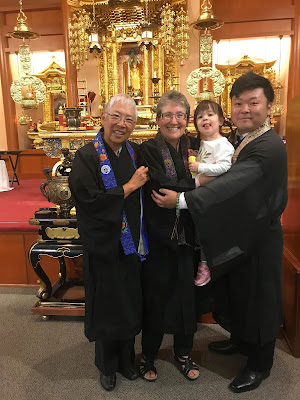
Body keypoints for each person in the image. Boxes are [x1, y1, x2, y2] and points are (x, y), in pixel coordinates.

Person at [150, 72, 288, 393]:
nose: (245, 109)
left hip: (260, 236)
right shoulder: (245, 138)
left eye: (253, 103)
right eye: (238, 103)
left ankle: (260, 364)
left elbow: (231, 183)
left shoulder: (267, 146)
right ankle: (241, 341)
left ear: (269, 105)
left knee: (258, 298)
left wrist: (183, 200)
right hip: (243, 231)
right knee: (239, 294)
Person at [69, 94, 149, 392]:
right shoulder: (87, 157)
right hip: (103, 246)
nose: (122, 124)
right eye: (116, 116)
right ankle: (106, 365)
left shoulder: (136, 153)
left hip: (131, 247)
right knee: (106, 305)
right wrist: (129, 187)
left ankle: (127, 360)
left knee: (129, 302)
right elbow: (88, 200)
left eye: (129, 119)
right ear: (103, 118)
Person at [138, 90, 201, 382]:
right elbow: (162, 185)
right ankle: (148, 354)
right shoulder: (148, 149)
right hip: (159, 235)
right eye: (167, 115)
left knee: (186, 296)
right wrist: (194, 189)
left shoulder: (199, 146)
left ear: (187, 120)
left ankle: (183, 352)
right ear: (158, 118)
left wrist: (184, 193)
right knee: (157, 294)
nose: (173, 120)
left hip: (190, 235)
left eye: (179, 115)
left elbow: (211, 182)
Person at [189, 100, 234, 286]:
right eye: (200, 116)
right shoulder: (205, 143)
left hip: (215, 199)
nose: (205, 119)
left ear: (221, 120)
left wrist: (199, 166)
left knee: (206, 232)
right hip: (203, 197)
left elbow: (225, 167)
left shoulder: (222, 144)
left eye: (210, 115)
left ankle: (206, 264)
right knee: (199, 231)